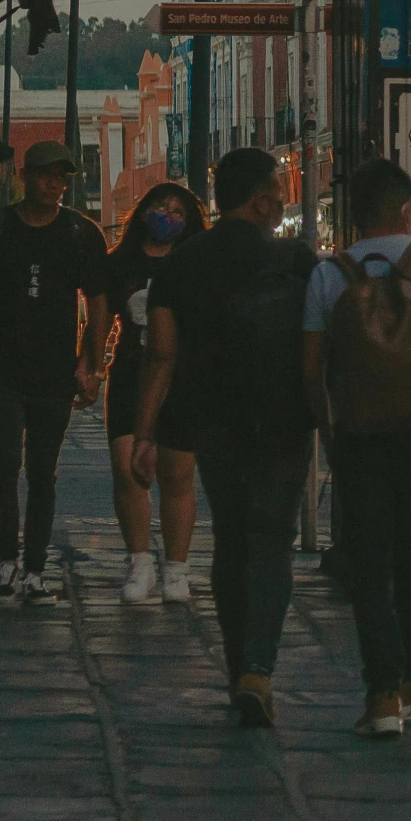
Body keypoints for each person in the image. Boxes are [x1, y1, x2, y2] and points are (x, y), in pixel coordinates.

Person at [133, 148, 317, 728]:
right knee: (271, 542)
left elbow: (161, 354)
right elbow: (316, 348)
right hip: (283, 420)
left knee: (232, 539)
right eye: (280, 189)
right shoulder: (296, 261)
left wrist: (144, 433)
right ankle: (258, 671)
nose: (284, 199)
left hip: (211, 420)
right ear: (261, 198)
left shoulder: (180, 264)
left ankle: (240, 668)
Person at [301, 157, 411, 738]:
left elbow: (311, 366)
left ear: (354, 216)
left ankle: (380, 697)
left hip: (359, 434)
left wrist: (330, 429)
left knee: (370, 561)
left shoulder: (329, 274)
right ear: (407, 209)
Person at [0, 140, 110, 604]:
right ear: (25, 176)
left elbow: (99, 302)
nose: (54, 184)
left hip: (55, 371)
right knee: (3, 464)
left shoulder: (81, 233)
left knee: (43, 470)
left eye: (61, 176)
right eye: (45, 174)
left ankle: (34, 567)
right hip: (2, 366)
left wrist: (91, 363)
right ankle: (5, 561)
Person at [87, 183, 207, 605]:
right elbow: (100, 320)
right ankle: (140, 561)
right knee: (128, 469)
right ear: (143, 212)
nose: (168, 216)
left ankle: (176, 567)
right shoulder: (119, 263)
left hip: (183, 377)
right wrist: (93, 368)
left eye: (178, 211)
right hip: (130, 375)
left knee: (177, 474)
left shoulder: (196, 262)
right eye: (161, 206)